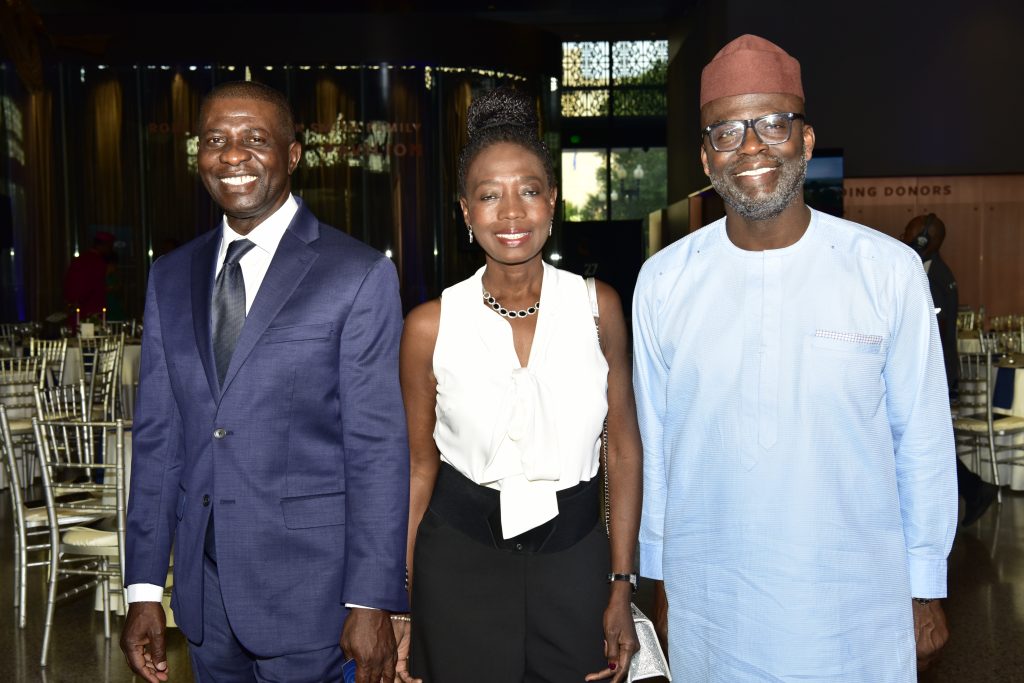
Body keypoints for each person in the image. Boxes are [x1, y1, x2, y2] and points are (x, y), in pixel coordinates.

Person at [632, 35, 958, 681]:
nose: (752, 146)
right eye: (727, 131)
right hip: (714, 599)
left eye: (773, 123)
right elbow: (657, 442)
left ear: (805, 140)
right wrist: (660, 577)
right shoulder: (666, 280)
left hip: (855, 603)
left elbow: (920, 438)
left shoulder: (884, 270)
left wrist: (926, 583)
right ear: (706, 156)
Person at [119, 81, 409, 683]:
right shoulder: (170, 275)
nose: (232, 155)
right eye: (216, 140)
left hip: (317, 599)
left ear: (294, 154)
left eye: (255, 139)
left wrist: (372, 598)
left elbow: (377, 450)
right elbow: (157, 441)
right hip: (206, 601)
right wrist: (145, 587)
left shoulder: (357, 274)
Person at [398, 86, 642, 683]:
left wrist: (621, 584)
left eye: (528, 191)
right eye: (489, 195)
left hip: (576, 559)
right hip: (459, 562)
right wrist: (400, 601)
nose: (511, 213)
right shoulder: (430, 326)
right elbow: (418, 469)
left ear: (552, 200)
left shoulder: (597, 308)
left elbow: (623, 448)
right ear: (465, 210)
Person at [903, 213, 999, 526]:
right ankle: (973, 489)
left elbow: (927, 331)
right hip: (928, 372)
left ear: (923, 241)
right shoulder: (927, 270)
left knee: (923, 444)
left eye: (911, 234)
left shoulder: (936, 278)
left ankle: (974, 489)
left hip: (930, 374)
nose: (904, 236)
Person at [63, 230, 115, 324]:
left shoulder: (79, 260)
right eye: (109, 246)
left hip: (77, 309)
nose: (110, 250)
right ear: (102, 245)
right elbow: (92, 287)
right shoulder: (97, 262)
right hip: (91, 310)